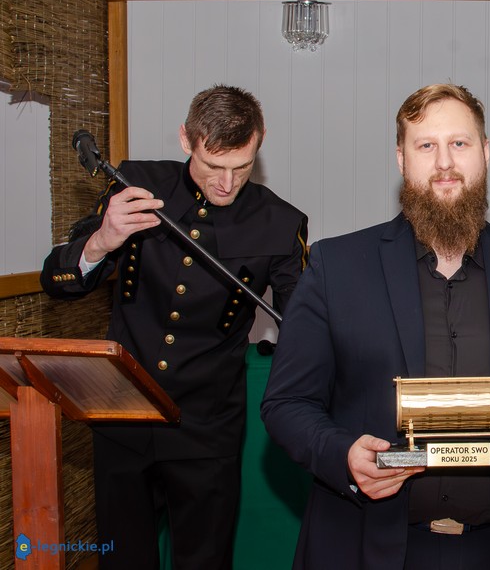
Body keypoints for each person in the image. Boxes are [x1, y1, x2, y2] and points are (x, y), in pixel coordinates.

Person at [261, 83, 490, 569]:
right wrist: (342, 455)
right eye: (426, 146)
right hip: (362, 546)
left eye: (459, 143)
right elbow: (286, 402)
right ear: (401, 160)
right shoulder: (336, 267)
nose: (445, 163)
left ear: (485, 152)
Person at [41, 84, 308, 569]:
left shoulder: (281, 222)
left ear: (260, 141)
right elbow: (57, 282)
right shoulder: (135, 185)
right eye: (213, 166)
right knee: (123, 558)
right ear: (186, 139)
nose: (226, 183)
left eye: (241, 167)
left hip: (207, 427)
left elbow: (304, 324)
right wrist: (101, 242)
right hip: (120, 418)